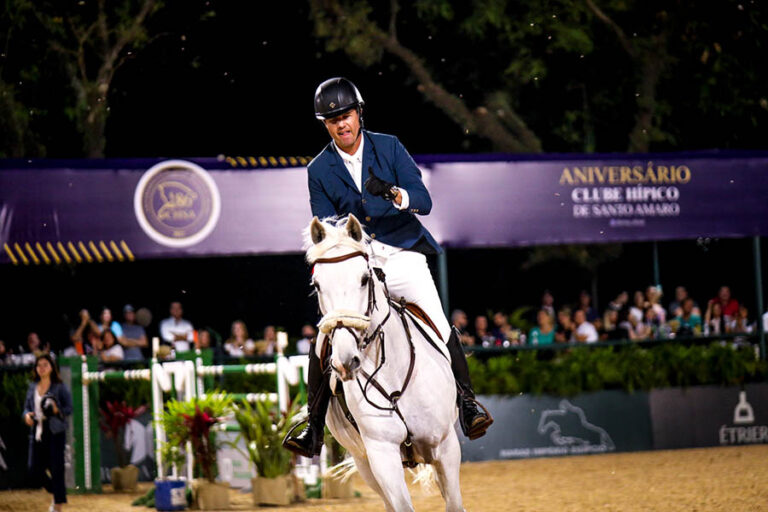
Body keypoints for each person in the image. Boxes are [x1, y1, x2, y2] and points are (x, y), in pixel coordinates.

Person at [283, 77, 492, 458]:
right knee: (326, 335)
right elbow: (328, 228)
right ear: (325, 125)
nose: (341, 124)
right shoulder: (318, 169)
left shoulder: (390, 146)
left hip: (402, 253)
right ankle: (313, 424)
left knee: (438, 321)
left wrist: (396, 194)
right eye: (332, 120)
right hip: (359, 260)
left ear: (358, 113)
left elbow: (424, 201)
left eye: (345, 115)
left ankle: (467, 404)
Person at [22, 354, 72, 512]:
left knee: (57, 468)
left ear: (51, 367)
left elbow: (69, 408)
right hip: (37, 431)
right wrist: (26, 415)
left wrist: (58, 410)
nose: (41, 368)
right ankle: (58, 492)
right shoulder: (32, 386)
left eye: (45, 365)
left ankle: (57, 505)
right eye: (39, 365)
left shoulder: (59, 386)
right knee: (34, 469)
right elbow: (26, 408)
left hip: (55, 431)